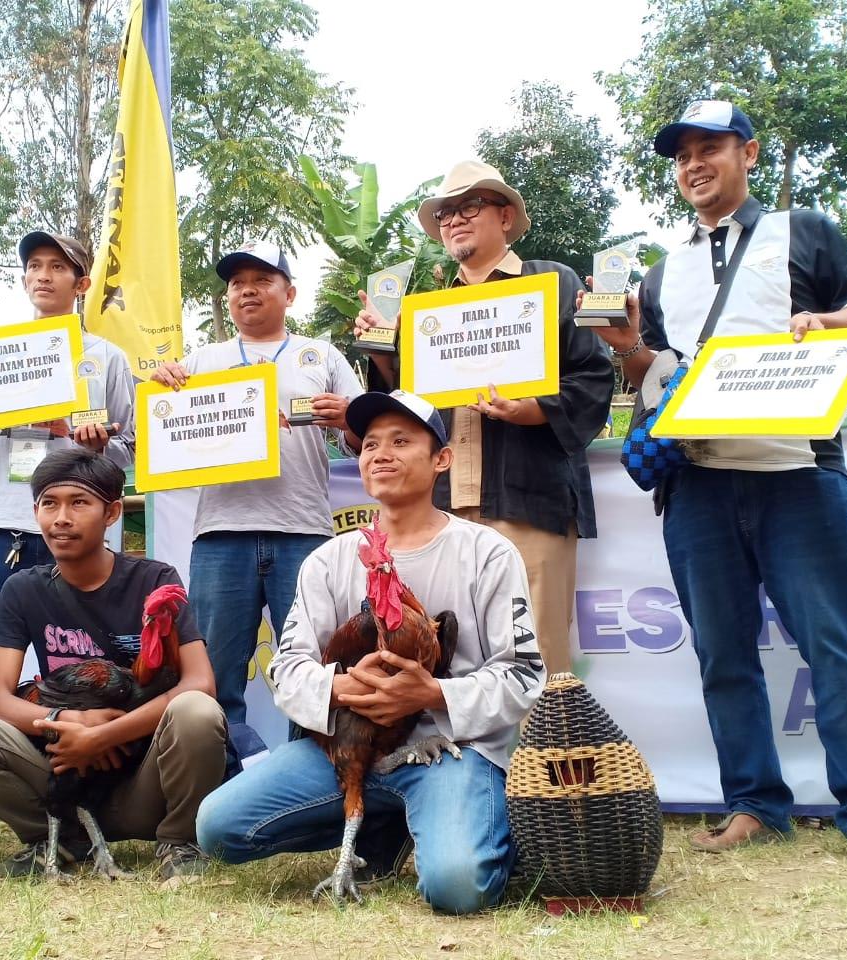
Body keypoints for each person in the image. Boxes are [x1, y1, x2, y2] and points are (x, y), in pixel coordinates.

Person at [587, 100, 847, 863]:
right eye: (682, 155)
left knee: (834, 645)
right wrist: (629, 345)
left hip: (798, 472)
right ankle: (754, 803)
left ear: (750, 154)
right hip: (697, 485)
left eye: (710, 149)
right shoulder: (663, 272)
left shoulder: (804, 231)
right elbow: (653, 375)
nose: (694, 165)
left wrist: (823, 324)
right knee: (722, 655)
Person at [196, 390, 543, 914]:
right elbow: (288, 666)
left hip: (448, 749)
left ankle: (469, 822)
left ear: (440, 460)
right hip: (349, 749)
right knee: (218, 829)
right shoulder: (328, 560)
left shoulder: (487, 552)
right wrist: (336, 685)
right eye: (370, 444)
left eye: (402, 442)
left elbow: (522, 674)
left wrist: (432, 693)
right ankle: (385, 823)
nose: (380, 453)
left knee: (458, 887)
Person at [355, 161, 612, 675]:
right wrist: (383, 348)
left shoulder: (551, 283)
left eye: (469, 206)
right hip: (445, 508)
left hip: (527, 500)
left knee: (537, 661)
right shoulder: (425, 312)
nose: (454, 220)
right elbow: (406, 410)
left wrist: (530, 410)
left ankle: (543, 759)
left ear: (506, 216)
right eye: (446, 212)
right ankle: (463, 759)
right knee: (448, 657)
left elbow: (593, 377)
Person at [0, 447, 226, 878]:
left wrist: (103, 735)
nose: (61, 518)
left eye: (78, 503)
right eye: (49, 504)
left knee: (197, 711)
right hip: (62, 772)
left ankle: (179, 843)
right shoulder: (22, 589)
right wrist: (68, 721)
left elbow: (200, 682)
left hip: (145, 780)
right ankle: (59, 840)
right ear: (35, 512)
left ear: (111, 512)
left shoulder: (154, 578)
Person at [150, 240, 363, 726]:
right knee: (213, 679)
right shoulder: (200, 363)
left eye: (262, 281)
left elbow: (362, 441)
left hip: (303, 533)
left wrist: (350, 417)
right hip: (222, 535)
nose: (247, 291)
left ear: (289, 294)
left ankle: (306, 790)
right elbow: (159, 440)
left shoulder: (322, 356)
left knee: (311, 676)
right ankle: (221, 786)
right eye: (237, 284)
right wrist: (161, 393)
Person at [0, 231, 135, 661]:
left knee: (85, 651)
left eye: (58, 267)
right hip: (2, 522)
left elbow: (129, 449)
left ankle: (82, 726)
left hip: (78, 527)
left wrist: (93, 447)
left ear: (81, 285)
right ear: (23, 281)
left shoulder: (107, 357)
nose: (44, 276)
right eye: (34, 266)